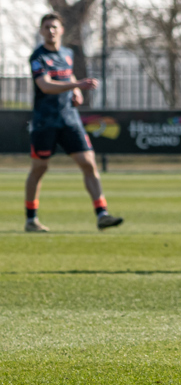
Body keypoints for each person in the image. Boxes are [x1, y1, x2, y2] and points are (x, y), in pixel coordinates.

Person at [24, 13, 123, 232]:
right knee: (39, 169)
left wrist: (76, 90)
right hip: (45, 121)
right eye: (47, 27)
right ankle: (31, 219)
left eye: (54, 27)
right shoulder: (37, 57)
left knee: (89, 163)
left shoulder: (67, 54)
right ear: (41, 31)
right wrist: (77, 84)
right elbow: (46, 86)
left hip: (69, 119)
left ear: (61, 30)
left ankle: (102, 214)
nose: (51, 30)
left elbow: (66, 77)